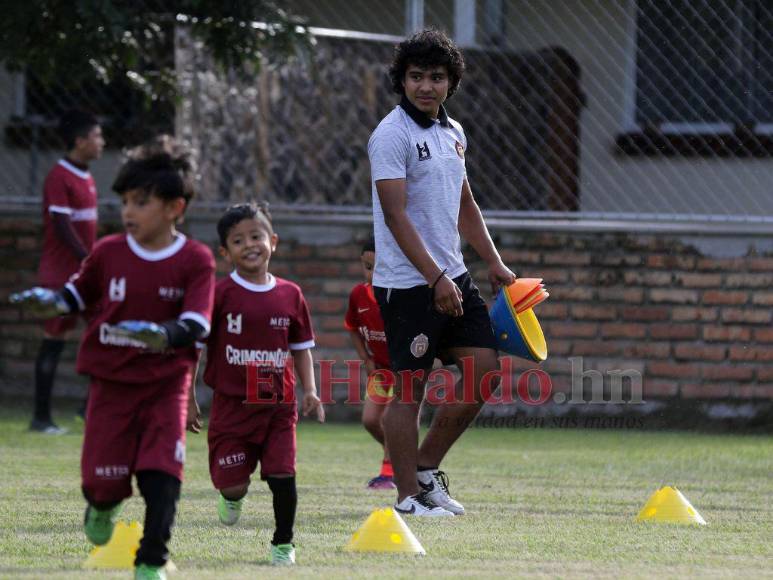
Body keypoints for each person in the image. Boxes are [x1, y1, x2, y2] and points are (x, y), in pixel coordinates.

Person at [10, 136, 215, 580]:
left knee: (163, 472)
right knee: (102, 485)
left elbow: (199, 324)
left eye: (141, 202)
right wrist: (50, 302)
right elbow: (72, 295)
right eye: (124, 201)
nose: (127, 212)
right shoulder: (107, 252)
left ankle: (151, 561)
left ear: (174, 208)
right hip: (110, 386)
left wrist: (164, 334)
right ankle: (101, 506)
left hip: (165, 385)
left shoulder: (196, 260)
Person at [368, 29, 516, 517]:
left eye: (436, 77)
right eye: (416, 77)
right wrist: (435, 280)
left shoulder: (454, 134)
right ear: (402, 81)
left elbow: (464, 203)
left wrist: (492, 262)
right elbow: (395, 216)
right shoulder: (391, 134)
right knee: (408, 391)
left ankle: (425, 470)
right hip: (409, 285)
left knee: (484, 371)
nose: (425, 86)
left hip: (454, 276)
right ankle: (408, 498)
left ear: (451, 82)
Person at [192, 202, 325, 566]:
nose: (250, 245)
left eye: (256, 236)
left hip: (279, 406)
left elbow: (301, 349)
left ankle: (283, 543)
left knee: (283, 473)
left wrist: (310, 391)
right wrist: (187, 397)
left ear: (273, 241)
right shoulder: (219, 295)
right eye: (238, 240)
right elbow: (196, 349)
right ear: (225, 251)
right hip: (232, 406)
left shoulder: (290, 294)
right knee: (234, 484)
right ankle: (232, 495)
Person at [32, 109, 104, 434]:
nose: (102, 142)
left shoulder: (86, 175)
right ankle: (41, 419)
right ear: (80, 141)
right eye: (97, 136)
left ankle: (89, 408)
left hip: (84, 274)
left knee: (107, 330)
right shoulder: (59, 176)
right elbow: (61, 226)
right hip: (61, 275)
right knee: (54, 340)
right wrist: (88, 259)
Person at [344, 238, 396, 490]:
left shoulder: (400, 296)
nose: (373, 273)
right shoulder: (358, 295)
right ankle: (405, 453)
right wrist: (366, 358)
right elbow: (352, 327)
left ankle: (389, 473)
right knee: (370, 420)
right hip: (379, 371)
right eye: (368, 266)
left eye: (380, 267)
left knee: (392, 418)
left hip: (405, 371)